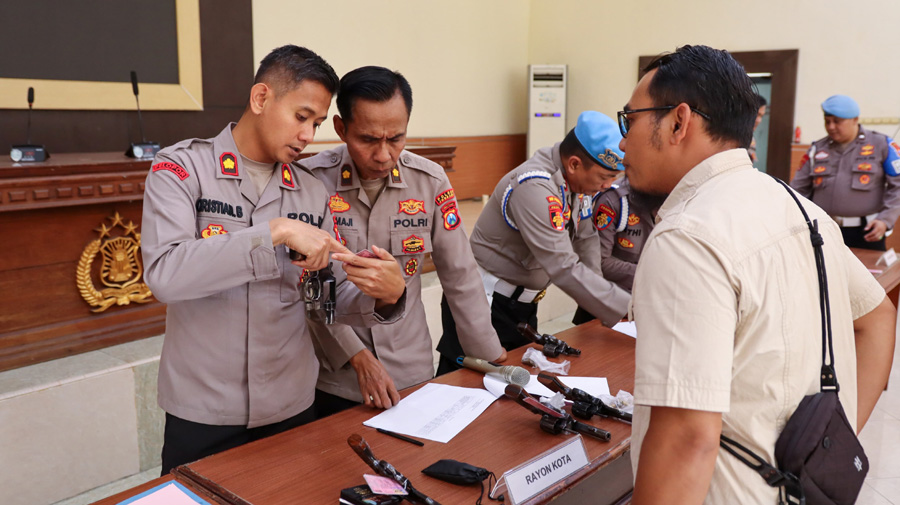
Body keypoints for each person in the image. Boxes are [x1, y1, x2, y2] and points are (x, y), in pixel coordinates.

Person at [620, 44, 895, 504]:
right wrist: (825, 452)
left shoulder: (688, 236)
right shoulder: (802, 210)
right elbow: (878, 318)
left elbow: (687, 437)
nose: (621, 143)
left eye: (628, 121)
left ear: (677, 122)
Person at [141, 46, 408, 475]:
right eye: (301, 117)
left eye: (317, 123)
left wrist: (387, 294)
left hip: (289, 406)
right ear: (261, 98)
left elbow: (326, 299)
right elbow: (165, 275)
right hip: (205, 409)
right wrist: (274, 233)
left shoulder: (311, 192)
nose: (308, 135)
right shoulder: (181, 170)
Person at [300, 66, 506, 417]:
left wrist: (492, 357)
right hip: (335, 374)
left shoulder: (429, 181)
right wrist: (359, 358)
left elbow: (460, 274)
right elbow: (309, 287)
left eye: (396, 138)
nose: (383, 155)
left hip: (409, 369)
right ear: (341, 128)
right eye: (367, 139)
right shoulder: (311, 181)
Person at [435, 111, 631, 375]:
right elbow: (563, 265)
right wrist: (627, 308)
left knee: (511, 387)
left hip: (522, 304)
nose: (607, 186)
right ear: (574, 164)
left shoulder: (576, 185)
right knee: (464, 384)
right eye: (604, 177)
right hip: (486, 305)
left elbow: (586, 239)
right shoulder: (535, 187)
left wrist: (597, 305)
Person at [791, 94, 900, 250]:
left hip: (866, 232)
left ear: (855, 119)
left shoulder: (881, 144)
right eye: (827, 122)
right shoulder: (817, 149)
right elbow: (797, 190)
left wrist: (885, 220)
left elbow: (898, 186)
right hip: (824, 229)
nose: (831, 127)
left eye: (837, 121)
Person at [570, 177, 660, 325]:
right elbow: (599, 262)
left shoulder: (683, 197)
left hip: (653, 301)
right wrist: (651, 274)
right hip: (610, 300)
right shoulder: (615, 200)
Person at [747, 93, 766, 163]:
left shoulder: (750, 138)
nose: (759, 120)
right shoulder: (734, 138)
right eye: (757, 114)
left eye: (761, 116)